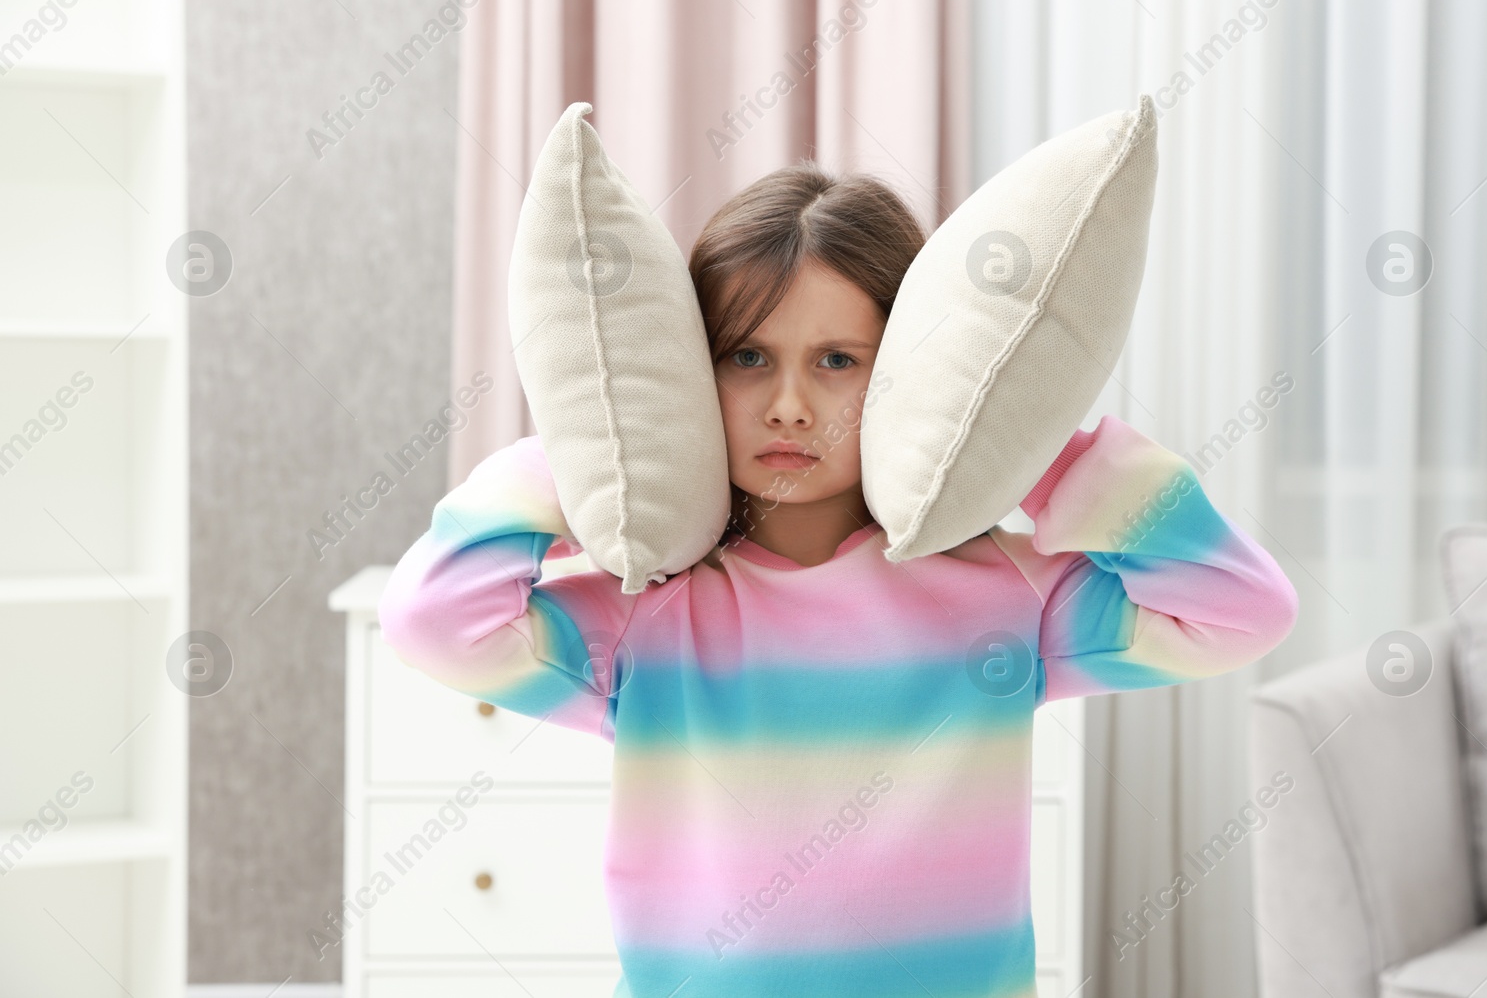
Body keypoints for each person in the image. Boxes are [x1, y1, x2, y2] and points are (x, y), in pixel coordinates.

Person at [378, 161, 1299, 997]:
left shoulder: (1004, 598)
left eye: (837, 362)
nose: (788, 403)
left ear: (905, 371)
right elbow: (434, 621)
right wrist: (589, 449)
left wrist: (1038, 448)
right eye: (747, 356)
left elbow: (1241, 612)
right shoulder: (649, 618)